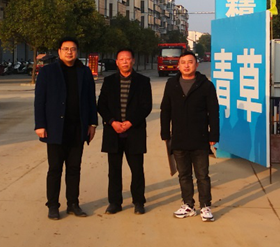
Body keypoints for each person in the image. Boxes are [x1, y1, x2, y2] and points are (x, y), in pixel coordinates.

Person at [34, 37, 98, 220]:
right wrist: (40, 124)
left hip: (77, 128)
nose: (70, 52)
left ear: (77, 51)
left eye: (73, 49)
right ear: (59, 51)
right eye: (66, 49)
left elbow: (90, 99)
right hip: (55, 128)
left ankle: (73, 204)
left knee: (74, 168)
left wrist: (92, 124)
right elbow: (40, 100)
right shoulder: (48, 72)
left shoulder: (84, 72)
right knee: (55, 169)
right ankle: (53, 205)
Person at [160, 50, 219, 222]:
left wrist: (213, 134)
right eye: (183, 62)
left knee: (202, 175)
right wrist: (165, 133)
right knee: (184, 175)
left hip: (200, 137)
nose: (187, 65)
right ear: (178, 66)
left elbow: (213, 112)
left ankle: (205, 206)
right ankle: (188, 205)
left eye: (190, 62)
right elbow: (165, 110)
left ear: (196, 64)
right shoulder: (172, 84)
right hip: (178, 138)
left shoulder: (206, 85)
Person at [97, 48, 152, 215]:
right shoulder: (109, 81)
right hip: (113, 131)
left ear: (133, 61)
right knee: (114, 170)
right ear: (117, 62)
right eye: (121, 59)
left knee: (137, 169)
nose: (125, 62)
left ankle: (138, 202)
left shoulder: (143, 81)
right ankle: (114, 202)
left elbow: (146, 106)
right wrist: (112, 122)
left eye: (128, 59)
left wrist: (130, 122)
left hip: (134, 131)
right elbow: (101, 105)